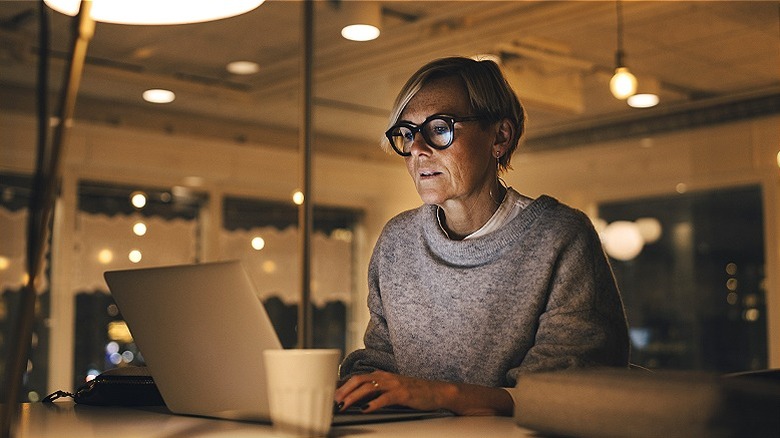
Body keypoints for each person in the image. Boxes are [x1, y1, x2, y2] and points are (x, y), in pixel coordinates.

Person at [333, 56, 629, 417]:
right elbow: (381, 361)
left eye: (439, 128)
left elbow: (567, 391)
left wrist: (442, 395)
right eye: (407, 134)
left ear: (499, 137)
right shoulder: (397, 241)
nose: (417, 150)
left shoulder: (560, 237)